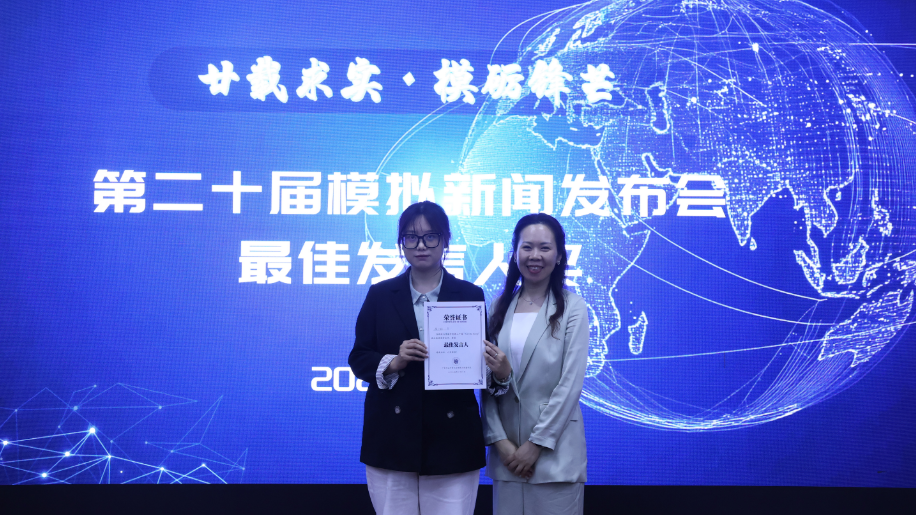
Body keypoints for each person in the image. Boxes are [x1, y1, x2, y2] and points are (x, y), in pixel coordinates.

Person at [348, 201, 511, 515]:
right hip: (392, 437)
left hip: (452, 437)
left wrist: (500, 371)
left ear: (446, 240)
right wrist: (394, 361)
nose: (421, 245)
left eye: (430, 236)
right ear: (401, 243)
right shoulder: (380, 294)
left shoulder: (470, 295)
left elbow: (478, 362)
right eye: (411, 237)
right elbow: (359, 357)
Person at [481, 213, 590, 515]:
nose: (535, 256)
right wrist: (499, 441)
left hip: (555, 455)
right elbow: (486, 383)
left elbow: (570, 385)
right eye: (527, 247)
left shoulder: (573, 307)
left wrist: (536, 444)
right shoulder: (498, 307)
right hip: (507, 459)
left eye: (544, 247)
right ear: (514, 253)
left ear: (559, 255)